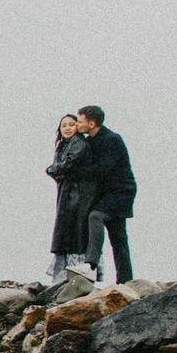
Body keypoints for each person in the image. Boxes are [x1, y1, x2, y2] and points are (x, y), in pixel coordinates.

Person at [63, 105, 136, 282]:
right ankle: (126, 281)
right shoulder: (90, 142)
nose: (77, 125)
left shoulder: (112, 139)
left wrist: (72, 174)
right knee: (118, 238)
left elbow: (102, 168)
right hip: (107, 193)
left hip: (121, 191)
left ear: (92, 123)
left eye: (80, 122)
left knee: (95, 216)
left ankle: (90, 265)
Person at [44, 113, 95, 280]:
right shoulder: (63, 146)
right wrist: (55, 171)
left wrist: (53, 170)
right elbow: (59, 169)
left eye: (71, 124)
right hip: (67, 195)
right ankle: (65, 276)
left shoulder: (80, 144)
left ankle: (75, 275)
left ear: (78, 127)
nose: (67, 128)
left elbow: (68, 165)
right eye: (63, 125)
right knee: (66, 233)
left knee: (75, 233)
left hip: (79, 195)